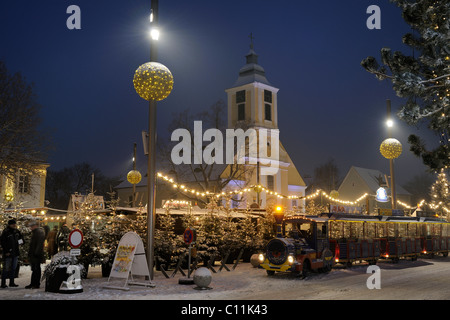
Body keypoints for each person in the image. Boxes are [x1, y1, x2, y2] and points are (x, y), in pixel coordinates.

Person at [0, 219, 23, 288]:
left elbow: (21, 238)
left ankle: (12, 282)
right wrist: (6, 251)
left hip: (15, 252)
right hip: (8, 253)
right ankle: (3, 283)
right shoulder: (6, 232)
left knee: (13, 268)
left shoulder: (16, 232)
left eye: (15, 224)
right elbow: (3, 242)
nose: (14, 225)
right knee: (6, 268)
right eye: (13, 224)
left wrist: (21, 242)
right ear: (9, 224)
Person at [26, 220, 46, 289]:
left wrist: (36, 253)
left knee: (36, 269)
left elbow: (39, 244)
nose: (30, 228)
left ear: (35, 226)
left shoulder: (39, 232)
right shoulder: (35, 232)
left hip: (36, 254)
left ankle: (36, 284)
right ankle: (33, 283)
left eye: (31, 226)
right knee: (34, 269)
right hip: (34, 254)